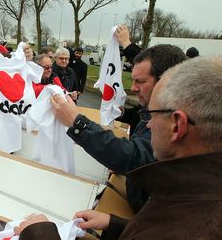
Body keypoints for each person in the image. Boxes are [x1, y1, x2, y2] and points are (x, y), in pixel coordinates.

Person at [16, 56, 222, 239]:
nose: (147, 127)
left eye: (153, 115)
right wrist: (118, 225)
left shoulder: (201, 227)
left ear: (177, 125)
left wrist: (39, 234)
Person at [51, 43, 186, 213]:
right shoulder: (157, 109)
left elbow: (137, 158)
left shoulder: (171, 118)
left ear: (166, 81)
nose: (134, 88)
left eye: (140, 81)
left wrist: (76, 122)